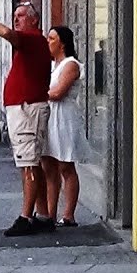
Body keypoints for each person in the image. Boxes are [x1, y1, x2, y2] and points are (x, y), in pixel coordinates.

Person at [0, 2, 54, 237]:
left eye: (22, 16)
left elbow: (7, 33)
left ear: (34, 20)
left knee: (28, 163)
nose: (17, 20)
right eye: (15, 15)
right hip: (23, 108)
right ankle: (43, 214)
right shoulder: (31, 42)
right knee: (31, 161)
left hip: (27, 110)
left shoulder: (32, 39)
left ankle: (26, 217)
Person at [44, 26, 86, 227]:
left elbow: (58, 92)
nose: (48, 42)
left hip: (64, 117)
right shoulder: (52, 65)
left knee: (65, 165)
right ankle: (50, 214)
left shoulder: (71, 65)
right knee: (49, 166)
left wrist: (36, 91)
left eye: (51, 38)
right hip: (50, 117)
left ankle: (68, 214)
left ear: (62, 43)